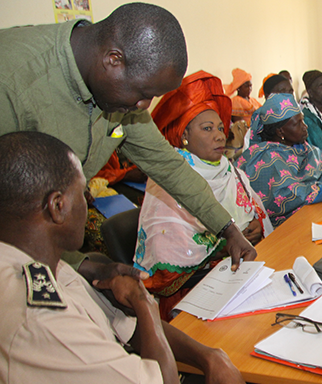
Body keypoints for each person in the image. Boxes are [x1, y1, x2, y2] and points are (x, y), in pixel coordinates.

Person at [0, 3, 255, 276]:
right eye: (143, 93)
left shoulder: (121, 97)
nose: (145, 106)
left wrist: (227, 228)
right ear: (113, 60)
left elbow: (169, 166)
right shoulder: (13, 83)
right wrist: (82, 268)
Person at [0, 131, 244, 384]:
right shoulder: (42, 320)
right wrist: (146, 306)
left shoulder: (46, 268)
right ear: (58, 206)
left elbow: (127, 327)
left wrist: (208, 356)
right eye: (83, 193)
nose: (88, 202)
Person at [135, 71, 274, 316]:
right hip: (192, 293)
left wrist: (255, 224)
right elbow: (166, 258)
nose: (220, 135)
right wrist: (225, 244)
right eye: (207, 129)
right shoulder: (170, 177)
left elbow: (250, 206)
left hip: (239, 271)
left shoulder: (225, 168)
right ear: (184, 135)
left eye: (220, 127)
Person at [237, 94, 322, 226]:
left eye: (302, 120)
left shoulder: (301, 147)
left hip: (313, 214)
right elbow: (293, 195)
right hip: (284, 229)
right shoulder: (266, 157)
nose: (305, 126)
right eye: (298, 123)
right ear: (280, 132)